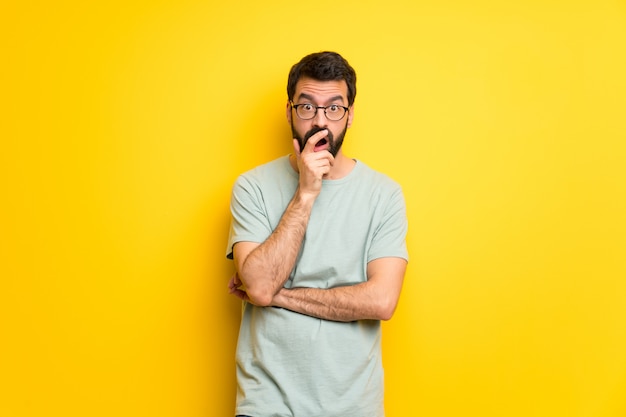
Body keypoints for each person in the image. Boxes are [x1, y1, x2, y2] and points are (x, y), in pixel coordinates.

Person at [226, 51, 409, 417]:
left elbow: (382, 301)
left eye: (334, 108)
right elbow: (259, 286)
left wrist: (281, 298)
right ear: (290, 112)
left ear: (350, 114)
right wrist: (307, 192)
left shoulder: (384, 195)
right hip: (267, 405)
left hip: (353, 407)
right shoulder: (252, 187)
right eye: (307, 107)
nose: (320, 122)